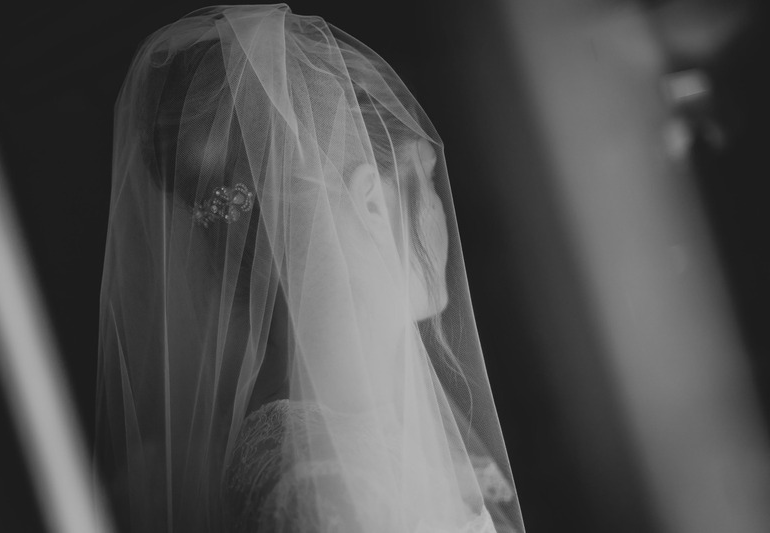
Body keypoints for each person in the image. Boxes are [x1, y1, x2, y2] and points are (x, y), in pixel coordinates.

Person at [94, 4, 524, 532]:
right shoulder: (324, 483)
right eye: (429, 180)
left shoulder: (363, 438)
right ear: (371, 203)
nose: (442, 212)